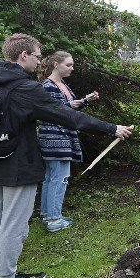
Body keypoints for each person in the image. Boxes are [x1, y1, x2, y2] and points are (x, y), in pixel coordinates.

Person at [0, 34, 134, 278]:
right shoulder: (24, 87)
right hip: (17, 167)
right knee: (13, 225)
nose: (40, 61)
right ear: (23, 56)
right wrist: (111, 128)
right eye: (38, 56)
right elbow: (68, 116)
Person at [37, 50, 99, 232]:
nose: (72, 68)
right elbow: (52, 111)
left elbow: (69, 107)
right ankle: (54, 220)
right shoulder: (48, 86)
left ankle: (48, 215)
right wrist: (68, 106)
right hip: (55, 138)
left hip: (63, 136)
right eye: (68, 65)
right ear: (56, 65)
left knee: (52, 178)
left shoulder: (61, 84)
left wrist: (85, 100)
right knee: (58, 178)